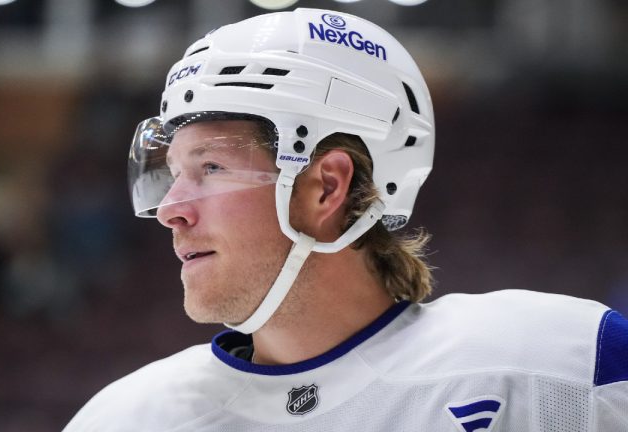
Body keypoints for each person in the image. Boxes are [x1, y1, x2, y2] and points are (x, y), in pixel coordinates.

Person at [64, 8, 628, 431]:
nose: (170, 210)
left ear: (326, 187)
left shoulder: (560, 370)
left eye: (211, 167)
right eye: (173, 172)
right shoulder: (123, 419)